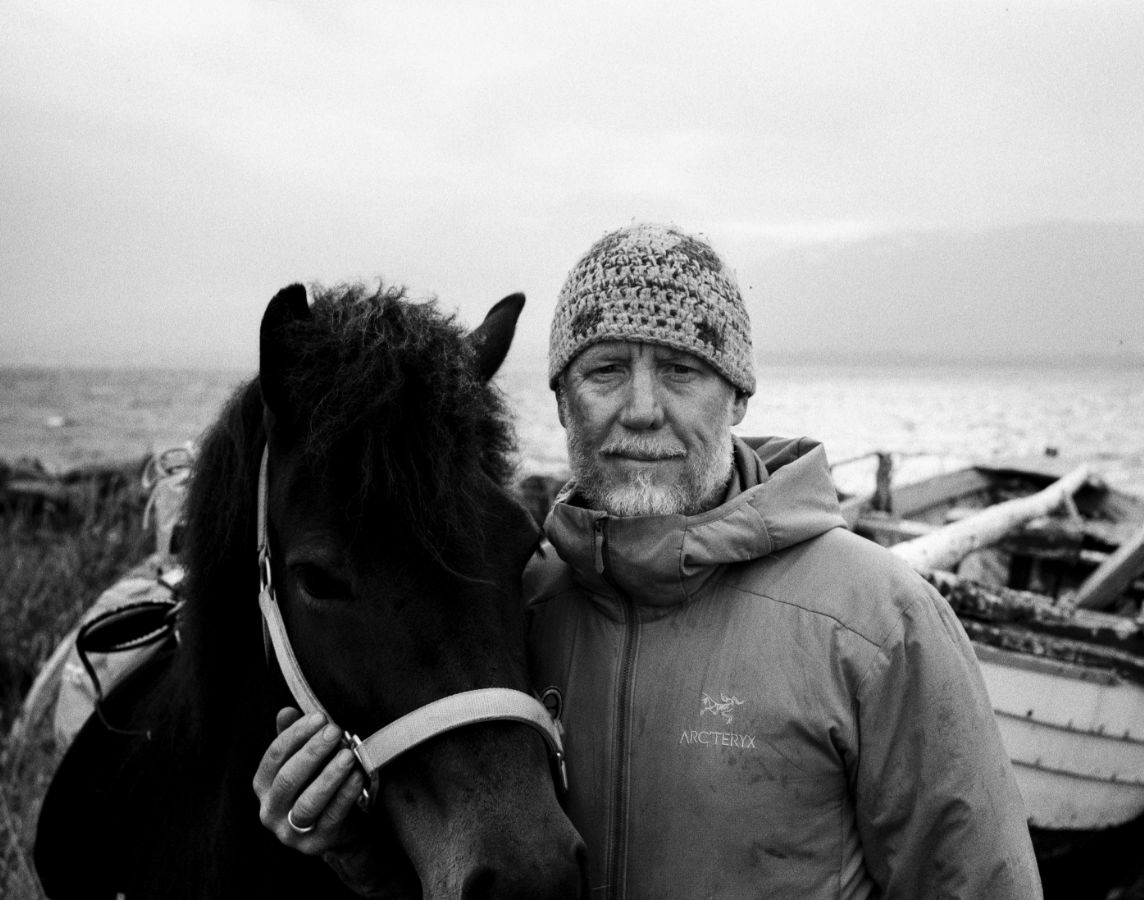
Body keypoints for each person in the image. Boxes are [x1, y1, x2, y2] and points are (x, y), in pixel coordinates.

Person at [254, 223, 1044, 898]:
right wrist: (360, 855)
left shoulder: (877, 622)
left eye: (681, 370)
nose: (641, 410)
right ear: (562, 403)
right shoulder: (518, 609)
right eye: (605, 371)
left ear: (736, 398)